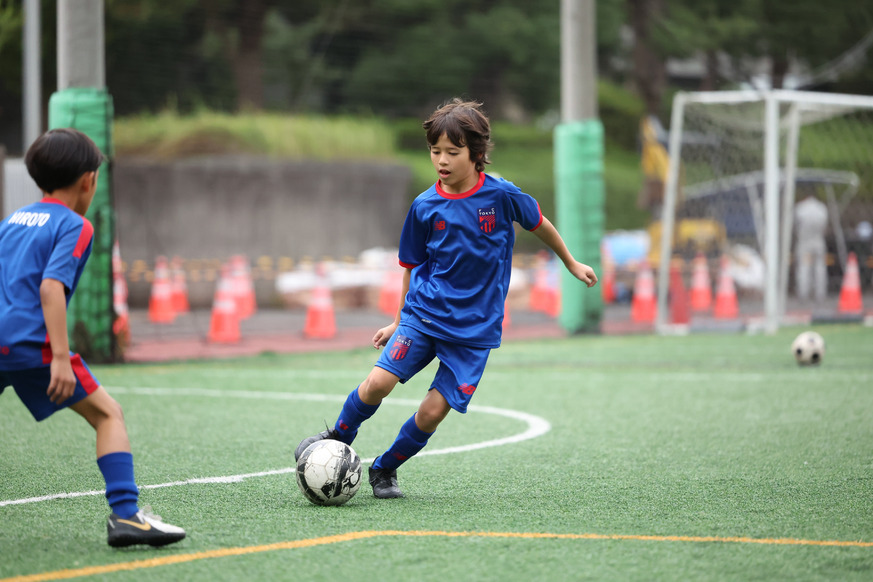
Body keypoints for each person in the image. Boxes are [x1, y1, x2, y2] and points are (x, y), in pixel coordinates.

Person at [295, 99, 597, 499]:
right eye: (435, 151)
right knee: (378, 383)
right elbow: (410, 266)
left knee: (432, 412)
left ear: (476, 153)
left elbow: (539, 223)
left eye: (452, 152)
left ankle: (384, 469)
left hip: (474, 332)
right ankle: (338, 438)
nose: (441, 160)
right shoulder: (424, 206)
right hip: (424, 315)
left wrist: (571, 262)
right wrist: (398, 320)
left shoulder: (501, 195)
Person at [0, 129, 186, 547]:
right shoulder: (75, 225)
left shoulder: (10, 221)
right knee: (108, 415)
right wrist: (59, 357)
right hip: (32, 344)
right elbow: (51, 288)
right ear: (89, 180)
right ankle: (127, 516)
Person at [794, 192, 828, 304]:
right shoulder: (821, 208)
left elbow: (796, 225)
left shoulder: (801, 208)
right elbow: (824, 226)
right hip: (818, 241)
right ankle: (820, 293)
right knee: (820, 267)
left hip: (805, 241)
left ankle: (803, 293)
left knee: (804, 267)